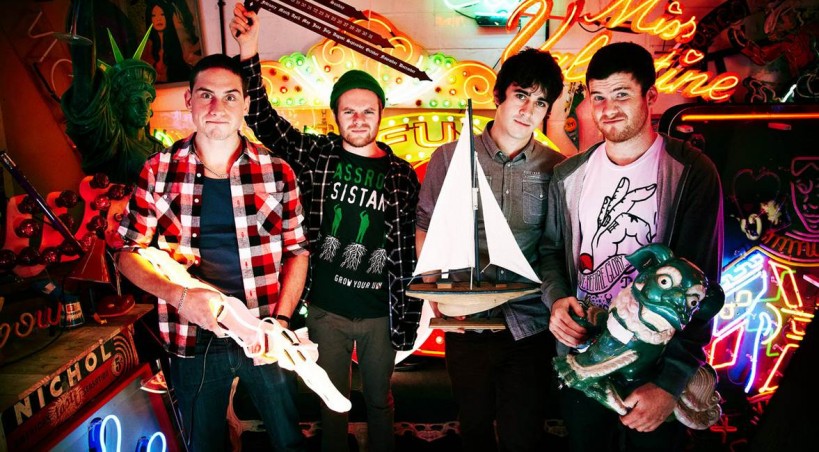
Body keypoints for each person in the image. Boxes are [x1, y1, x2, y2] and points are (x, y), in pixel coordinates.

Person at [231, 4, 423, 452]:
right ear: (336, 114)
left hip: (381, 312)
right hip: (326, 310)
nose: (359, 119)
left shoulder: (400, 174)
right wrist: (249, 48)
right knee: (331, 402)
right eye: (349, 110)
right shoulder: (317, 155)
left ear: (380, 114)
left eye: (367, 110)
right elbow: (263, 120)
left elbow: (413, 245)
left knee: (379, 402)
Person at [115, 53, 309, 452]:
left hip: (264, 330)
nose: (217, 107)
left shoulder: (278, 171)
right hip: (192, 338)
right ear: (189, 100)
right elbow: (127, 252)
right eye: (206, 95)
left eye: (230, 97)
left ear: (246, 104)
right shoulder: (158, 170)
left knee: (288, 440)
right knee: (202, 444)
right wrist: (180, 297)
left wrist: (281, 321)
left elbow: (298, 251)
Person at [540, 41, 725, 451]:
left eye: (621, 94)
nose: (608, 109)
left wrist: (670, 383)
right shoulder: (568, 175)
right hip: (585, 359)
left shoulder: (691, 171)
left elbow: (699, 286)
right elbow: (550, 251)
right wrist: (557, 300)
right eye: (598, 97)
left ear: (650, 96)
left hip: (654, 371)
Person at [416, 48, 565, 452]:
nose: (528, 110)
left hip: (529, 323)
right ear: (498, 95)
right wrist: (437, 296)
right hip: (467, 321)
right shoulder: (449, 158)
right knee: (474, 428)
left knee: (524, 435)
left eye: (540, 103)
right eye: (521, 95)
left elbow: (556, 247)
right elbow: (426, 227)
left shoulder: (556, 168)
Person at [61, 0, 164, 185]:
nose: (143, 107)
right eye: (135, 101)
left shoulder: (159, 147)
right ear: (121, 105)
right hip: (116, 203)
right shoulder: (112, 141)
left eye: (147, 100)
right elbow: (85, 79)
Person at [143, 0, 192, 83]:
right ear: (150, 19)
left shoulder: (177, 46)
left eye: (162, 14)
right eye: (154, 16)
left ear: (167, 17)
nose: (158, 19)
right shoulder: (148, 47)